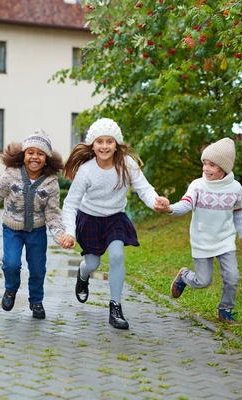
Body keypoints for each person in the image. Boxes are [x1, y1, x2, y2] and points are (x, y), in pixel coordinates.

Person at [62, 118, 168, 330]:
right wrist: (70, 232)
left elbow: (144, 188)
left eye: (109, 141)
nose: (104, 146)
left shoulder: (126, 164)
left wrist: (156, 201)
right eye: (99, 141)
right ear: (92, 145)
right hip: (90, 218)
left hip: (115, 218)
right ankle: (83, 276)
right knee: (93, 264)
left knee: (117, 255)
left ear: (116, 144)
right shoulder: (86, 170)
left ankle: (115, 307)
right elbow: (70, 203)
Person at [0, 129, 72, 319]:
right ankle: (11, 289)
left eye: (40, 154)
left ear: (47, 158)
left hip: (37, 231)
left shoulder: (51, 183)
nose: (35, 157)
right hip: (12, 229)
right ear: (23, 155)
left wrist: (60, 235)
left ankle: (36, 301)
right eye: (31, 152)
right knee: (11, 264)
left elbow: (53, 214)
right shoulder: (11, 175)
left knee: (38, 268)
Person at [154, 137, 242, 325]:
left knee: (232, 277)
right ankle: (184, 276)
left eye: (212, 165)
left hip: (224, 240)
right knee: (203, 281)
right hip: (202, 239)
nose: (206, 168)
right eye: (205, 164)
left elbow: (238, 213)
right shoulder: (198, 185)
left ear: (224, 168)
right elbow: (185, 204)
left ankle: (225, 311)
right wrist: (169, 209)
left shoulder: (235, 188)